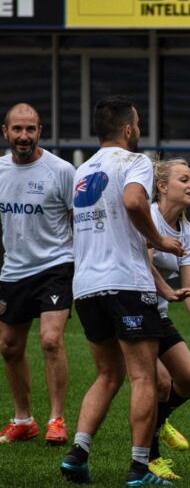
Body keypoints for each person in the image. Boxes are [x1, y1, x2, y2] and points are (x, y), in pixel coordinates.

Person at [59, 95, 184, 486]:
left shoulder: (83, 170)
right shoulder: (136, 162)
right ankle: (139, 468)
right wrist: (159, 240)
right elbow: (133, 201)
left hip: (86, 285)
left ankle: (77, 454)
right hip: (126, 283)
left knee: (106, 375)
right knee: (144, 378)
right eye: (138, 124)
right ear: (129, 129)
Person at [0, 103, 74, 445]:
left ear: (40, 131)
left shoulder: (61, 171)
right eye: (17, 129)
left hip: (55, 266)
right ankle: (23, 420)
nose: (24, 136)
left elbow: (79, 219)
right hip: (14, 270)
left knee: (50, 339)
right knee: (8, 347)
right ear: (5, 132)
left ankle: (56, 419)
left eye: (30, 129)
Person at [146, 158, 190, 482]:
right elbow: (144, 264)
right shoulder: (148, 217)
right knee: (159, 384)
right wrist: (168, 292)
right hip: (131, 310)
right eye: (184, 180)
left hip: (157, 313)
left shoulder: (186, 231)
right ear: (162, 186)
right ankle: (150, 458)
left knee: (189, 378)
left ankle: (158, 420)